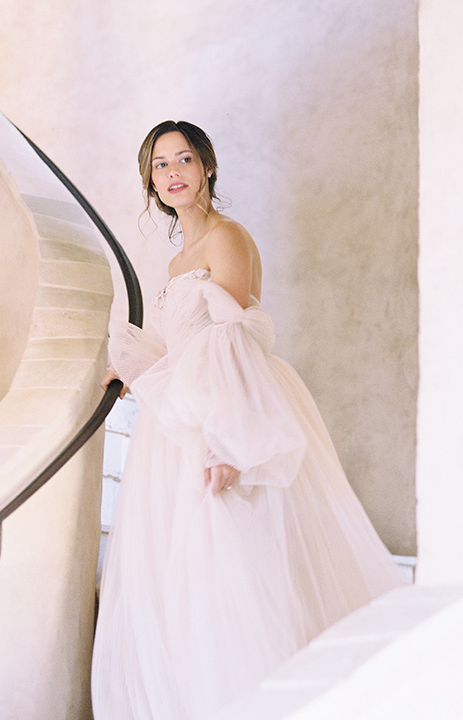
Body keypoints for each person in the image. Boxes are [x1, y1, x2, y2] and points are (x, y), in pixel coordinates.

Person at [91, 120, 403, 720]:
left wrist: (228, 442)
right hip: (182, 425)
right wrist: (130, 371)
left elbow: (232, 343)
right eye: (161, 164)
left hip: (220, 422)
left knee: (232, 566)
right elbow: (179, 342)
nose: (173, 172)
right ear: (150, 181)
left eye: (184, 159)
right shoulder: (181, 256)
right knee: (186, 582)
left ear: (208, 167)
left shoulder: (226, 238)